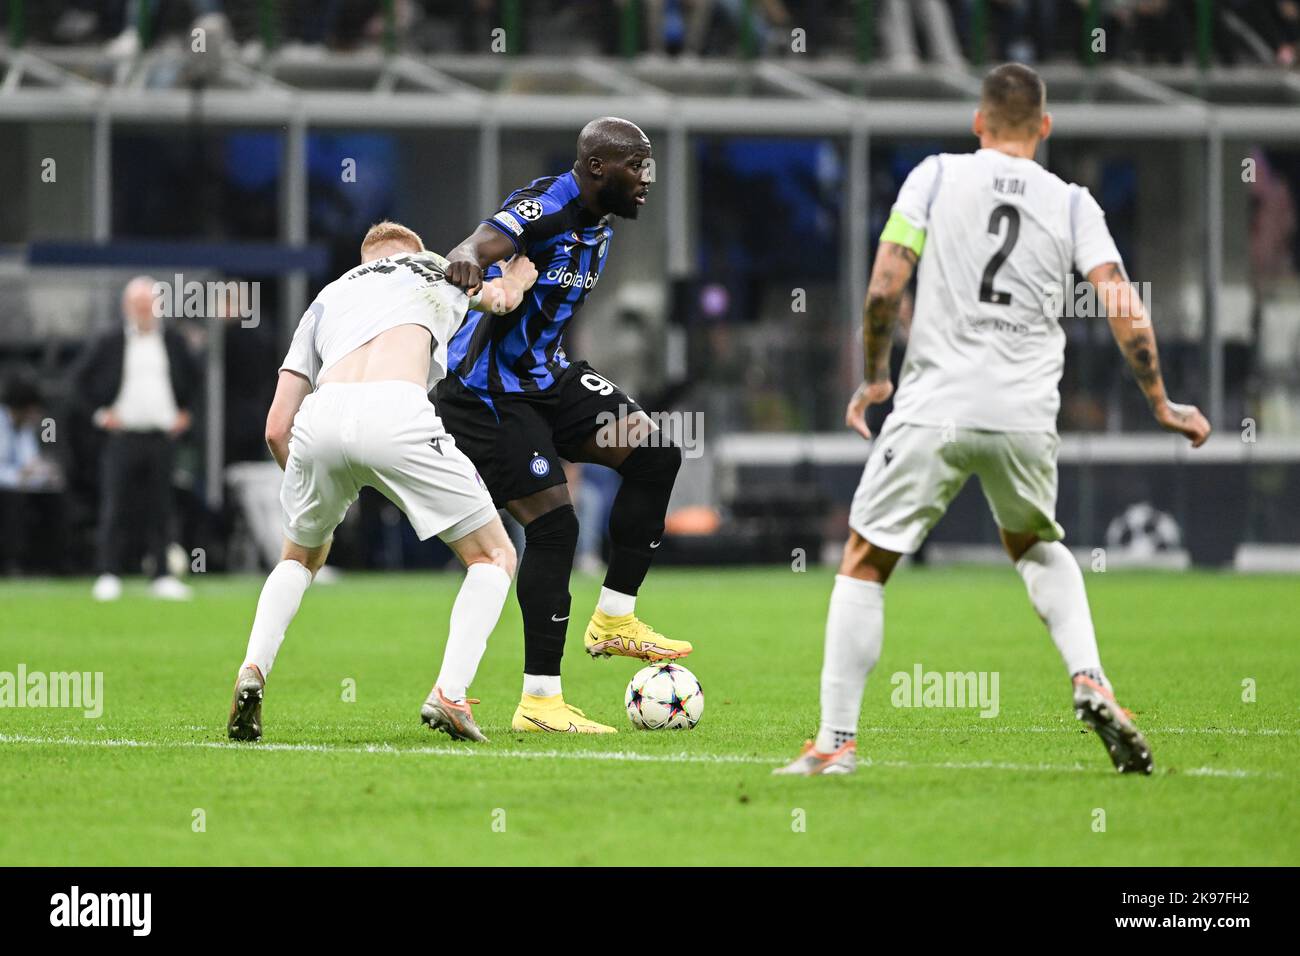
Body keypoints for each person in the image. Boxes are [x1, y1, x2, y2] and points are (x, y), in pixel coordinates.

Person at [776, 63, 1212, 777]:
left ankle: (835, 745)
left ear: (978, 123)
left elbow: (886, 283)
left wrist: (876, 374)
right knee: (1036, 544)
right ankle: (1089, 676)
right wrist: (1160, 402)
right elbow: (1125, 306)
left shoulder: (936, 176)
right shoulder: (1073, 203)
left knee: (866, 559)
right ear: (1044, 127)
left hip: (934, 406)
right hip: (1025, 412)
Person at [226, 222, 537, 744]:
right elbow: (502, 300)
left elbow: (276, 427)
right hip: (396, 408)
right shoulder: (434, 265)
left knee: (297, 558)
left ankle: (252, 669)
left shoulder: (327, 298)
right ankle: (449, 694)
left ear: (363, 260)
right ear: (414, 250)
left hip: (320, 417)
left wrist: (311, 490)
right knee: (494, 556)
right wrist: (520, 276)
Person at [438, 117, 687, 735]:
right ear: (598, 167)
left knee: (656, 454)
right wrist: (469, 258)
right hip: (489, 391)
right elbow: (483, 241)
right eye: (638, 166)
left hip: (548, 379)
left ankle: (614, 619)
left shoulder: (601, 221)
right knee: (555, 526)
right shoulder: (548, 205)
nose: (647, 180)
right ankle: (540, 703)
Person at [74, 276, 198, 601]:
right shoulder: (110, 340)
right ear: (127, 307)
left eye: (150, 305)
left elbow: (194, 379)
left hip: (161, 438)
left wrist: (185, 412)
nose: (145, 311)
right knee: (115, 506)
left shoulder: (172, 340)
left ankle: (160, 575)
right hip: (122, 438)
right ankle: (109, 573)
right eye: (139, 305)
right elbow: (78, 382)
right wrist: (100, 415)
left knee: (161, 508)